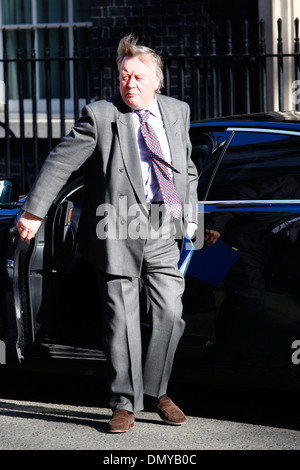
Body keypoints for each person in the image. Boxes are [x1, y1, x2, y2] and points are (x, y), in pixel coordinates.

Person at [16, 34, 198, 433]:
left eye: (137, 76)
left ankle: (156, 391)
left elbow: (185, 168)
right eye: (123, 77)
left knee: (171, 311)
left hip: (161, 225)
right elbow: (61, 162)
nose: (129, 83)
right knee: (122, 321)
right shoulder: (100, 115)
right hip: (114, 227)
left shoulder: (177, 111)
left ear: (157, 81)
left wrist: (188, 216)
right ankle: (123, 402)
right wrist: (33, 211)